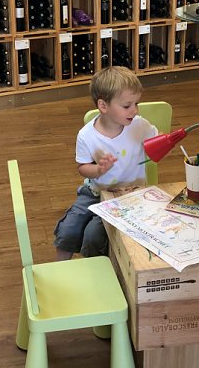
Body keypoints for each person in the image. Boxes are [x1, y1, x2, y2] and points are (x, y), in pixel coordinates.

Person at [54, 66, 158, 260]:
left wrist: (164, 143)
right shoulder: (86, 135)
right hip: (94, 192)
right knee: (69, 228)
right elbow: (82, 168)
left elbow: (157, 143)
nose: (135, 110)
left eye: (136, 103)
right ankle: (59, 268)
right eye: (127, 106)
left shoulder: (139, 126)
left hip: (129, 195)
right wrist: (98, 169)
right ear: (103, 106)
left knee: (93, 235)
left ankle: (97, 268)